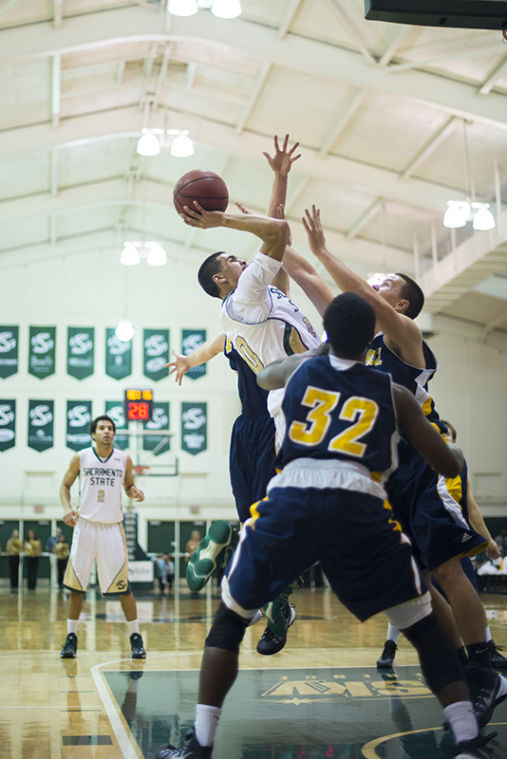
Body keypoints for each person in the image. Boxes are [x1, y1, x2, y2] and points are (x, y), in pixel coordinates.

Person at [154, 293, 493, 759]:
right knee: (428, 631)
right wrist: (451, 451)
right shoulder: (392, 393)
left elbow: (263, 375)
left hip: (292, 497)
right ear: (371, 338)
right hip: (361, 506)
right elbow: (445, 463)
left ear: (326, 336)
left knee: (228, 624)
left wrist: (318, 349)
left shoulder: (300, 372)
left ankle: (200, 745)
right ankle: (469, 742)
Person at [301, 205, 507, 727]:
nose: (375, 282)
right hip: (380, 474)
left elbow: (354, 292)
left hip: (422, 465)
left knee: (445, 567)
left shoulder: (404, 337)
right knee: (414, 582)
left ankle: (485, 662)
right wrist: (261, 224)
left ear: (401, 302)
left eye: (385, 281)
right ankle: (464, 665)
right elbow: (301, 275)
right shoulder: (360, 342)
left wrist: (325, 249)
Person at [176, 136, 332, 655]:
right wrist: (223, 222)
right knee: (311, 517)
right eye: (232, 258)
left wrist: (280, 178)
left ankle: (270, 598)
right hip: (294, 406)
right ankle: (257, 573)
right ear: (223, 277)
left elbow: (277, 239)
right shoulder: (244, 295)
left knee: (279, 519)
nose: (245, 258)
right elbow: (277, 236)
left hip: (284, 407)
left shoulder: (260, 294)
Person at [377, 420, 507, 670]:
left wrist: (488, 538)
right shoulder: (411, 462)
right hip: (417, 520)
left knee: (457, 581)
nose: (449, 440)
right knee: (414, 585)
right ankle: (391, 646)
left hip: (446, 527)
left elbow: (472, 508)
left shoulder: (453, 467)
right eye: (446, 435)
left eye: (451, 437)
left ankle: (483, 651)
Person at [59, 414, 146, 660]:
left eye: (110, 428)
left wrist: (134, 491)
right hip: (85, 526)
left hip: (111, 528)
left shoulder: (124, 459)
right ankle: (71, 637)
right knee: (77, 587)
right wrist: (67, 508)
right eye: (102, 428)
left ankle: (136, 637)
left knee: (124, 587)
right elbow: (64, 485)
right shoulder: (81, 457)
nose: (107, 432)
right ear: (93, 434)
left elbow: (129, 486)